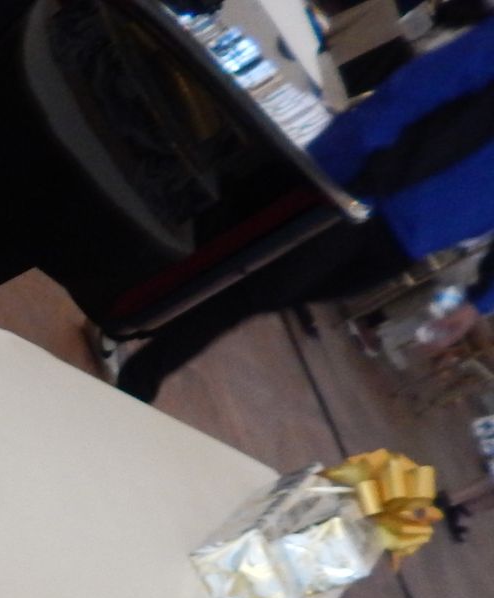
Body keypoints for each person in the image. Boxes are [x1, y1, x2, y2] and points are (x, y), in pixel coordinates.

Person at [113, 8, 494, 402]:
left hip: (412, 237)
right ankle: (136, 364)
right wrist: (348, 163)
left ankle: (135, 313)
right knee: (251, 284)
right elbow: (424, 85)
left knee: (266, 288)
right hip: (366, 188)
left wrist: (480, 300)